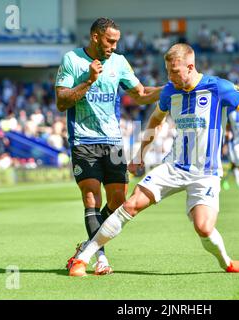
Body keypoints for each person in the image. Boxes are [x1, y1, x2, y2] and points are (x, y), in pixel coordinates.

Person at [67, 43, 239, 277]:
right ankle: (83, 258)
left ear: (190, 66)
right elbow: (155, 121)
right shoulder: (170, 91)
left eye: (174, 71)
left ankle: (227, 263)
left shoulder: (218, 88)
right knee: (131, 204)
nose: (169, 77)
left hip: (205, 173)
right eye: (168, 71)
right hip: (173, 166)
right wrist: (140, 154)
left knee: (204, 228)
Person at [55, 17, 162, 275]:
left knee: (118, 202)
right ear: (95, 37)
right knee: (91, 198)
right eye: (109, 40)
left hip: (113, 142)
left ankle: (86, 247)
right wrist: (89, 80)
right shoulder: (72, 60)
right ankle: (99, 257)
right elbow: (61, 102)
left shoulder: (119, 62)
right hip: (83, 140)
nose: (113, 46)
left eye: (116, 41)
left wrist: (172, 88)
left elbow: (141, 94)